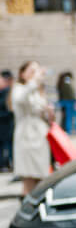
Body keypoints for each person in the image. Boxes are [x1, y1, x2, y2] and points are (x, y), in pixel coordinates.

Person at [11, 62, 55, 197]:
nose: (35, 74)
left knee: (42, 177)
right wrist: (35, 81)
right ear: (22, 74)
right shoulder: (19, 88)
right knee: (29, 178)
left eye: (37, 70)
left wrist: (49, 112)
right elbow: (20, 99)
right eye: (31, 70)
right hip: (26, 137)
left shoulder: (38, 91)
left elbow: (45, 114)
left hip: (40, 137)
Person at [0, 70, 14, 171]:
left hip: (6, 124)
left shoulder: (7, 92)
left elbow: (9, 110)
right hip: (4, 124)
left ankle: (7, 163)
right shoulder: (4, 92)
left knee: (8, 145)